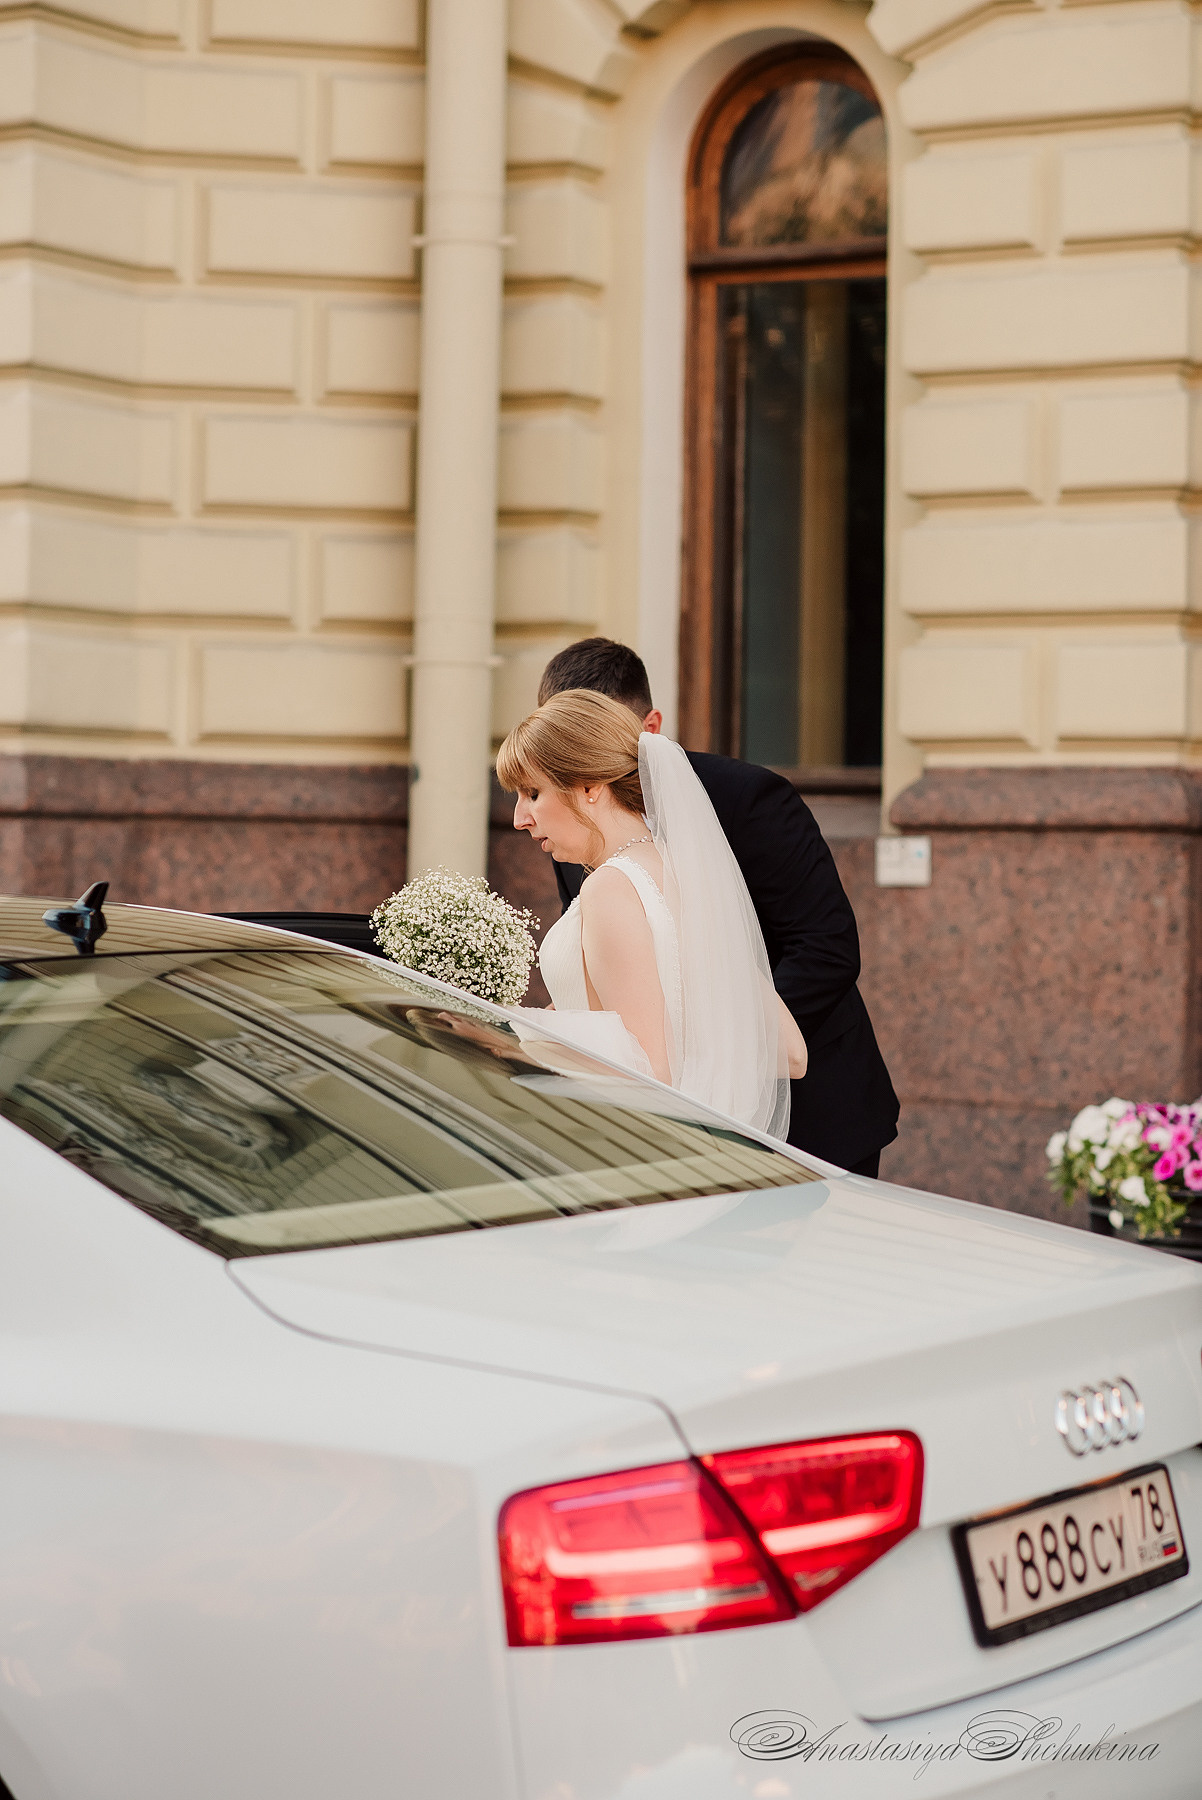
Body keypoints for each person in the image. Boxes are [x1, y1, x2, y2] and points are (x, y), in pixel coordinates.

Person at [533, 638, 898, 1176]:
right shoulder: (566, 819)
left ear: (649, 726)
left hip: (815, 1117)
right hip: (661, 1133)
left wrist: (719, 1050)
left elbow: (825, 948)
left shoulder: (749, 799)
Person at [496, 689, 804, 1140]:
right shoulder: (683, 876)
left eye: (532, 792)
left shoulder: (611, 887)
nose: (520, 817)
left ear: (589, 788)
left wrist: (514, 1045)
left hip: (622, 1149)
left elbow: (649, 1073)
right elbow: (791, 1052)